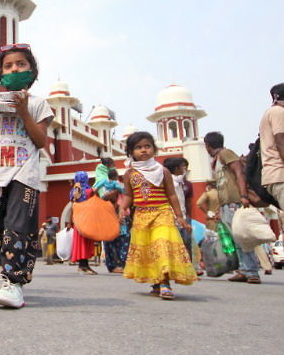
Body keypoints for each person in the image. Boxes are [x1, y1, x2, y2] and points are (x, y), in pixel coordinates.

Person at [0, 43, 53, 308]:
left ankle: (14, 281)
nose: (14, 69)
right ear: (1, 73)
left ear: (32, 71)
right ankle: (15, 265)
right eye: (8, 66)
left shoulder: (40, 104)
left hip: (24, 176)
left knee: (18, 228)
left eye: (21, 64)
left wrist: (23, 111)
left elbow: (40, 140)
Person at [120, 132, 196, 300]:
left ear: (154, 149)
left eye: (147, 146)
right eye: (138, 147)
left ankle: (165, 283)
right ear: (131, 152)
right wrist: (122, 208)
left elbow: (172, 195)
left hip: (162, 212)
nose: (143, 150)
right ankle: (157, 282)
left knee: (162, 245)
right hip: (141, 215)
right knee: (148, 248)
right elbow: (128, 195)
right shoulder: (129, 174)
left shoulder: (163, 171)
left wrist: (180, 216)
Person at [204, 131, 261, 284]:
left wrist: (243, 195)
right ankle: (244, 269)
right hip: (226, 204)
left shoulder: (225, 153)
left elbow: (239, 172)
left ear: (208, 145)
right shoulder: (217, 160)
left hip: (234, 202)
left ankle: (250, 271)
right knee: (234, 238)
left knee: (240, 236)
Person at [94, 169, 129, 273]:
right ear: (116, 176)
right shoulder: (116, 186)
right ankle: (121, 265)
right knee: (122, 242)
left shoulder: (104, 185)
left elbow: (96, 188)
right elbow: (124, 192)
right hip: (117, 219)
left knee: (110, 243)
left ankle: (113, 265)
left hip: (107, 219)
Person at [68, 171, 98, 275]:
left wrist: (69, 221)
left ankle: (82, 265)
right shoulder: (90, 191)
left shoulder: (73, 191)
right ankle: (84, 265)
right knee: (86, 242)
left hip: (77, 219)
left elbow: (72, 206)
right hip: (87, 219)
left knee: (80, 241)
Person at [260, 83, 284, 208]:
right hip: (279, 173)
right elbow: (280, 141)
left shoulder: (270, 113)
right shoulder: (278, 111)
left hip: (274, 175)